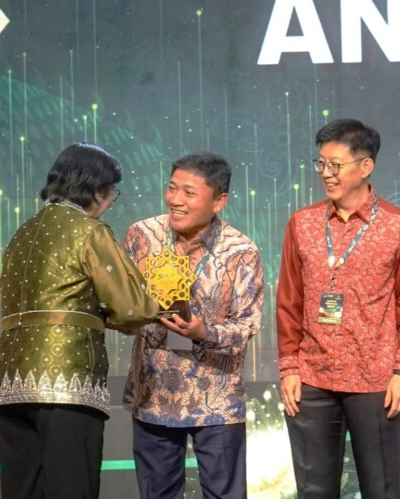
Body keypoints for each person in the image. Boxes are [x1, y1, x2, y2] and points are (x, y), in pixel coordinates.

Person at [0, 142, 160, 499]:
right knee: (71, 488)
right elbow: (132, 307)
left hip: (7, 382)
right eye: (112, 193)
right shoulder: (90, 231)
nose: (110, 202)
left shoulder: (21, 234)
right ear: (97, 191)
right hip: (66, 379)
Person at [277, 119, 400, 498]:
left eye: (336, 165)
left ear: (365, 166)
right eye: (321, 164)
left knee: (380, 487)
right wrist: (290, 368)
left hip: (376, 380)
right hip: (312, 379)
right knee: (314, 490)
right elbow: (289, 300)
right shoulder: (302, 223)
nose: (326, 174)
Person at [122, 152, 264, 499]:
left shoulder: (240, 250)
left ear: (219, 201)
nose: (176, 200)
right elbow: (121, 302)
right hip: (154, 393)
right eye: (172, 188)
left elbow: (248, 324)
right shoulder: (142, 236)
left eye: (189, 192)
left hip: (217, 398)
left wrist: (204, 333)